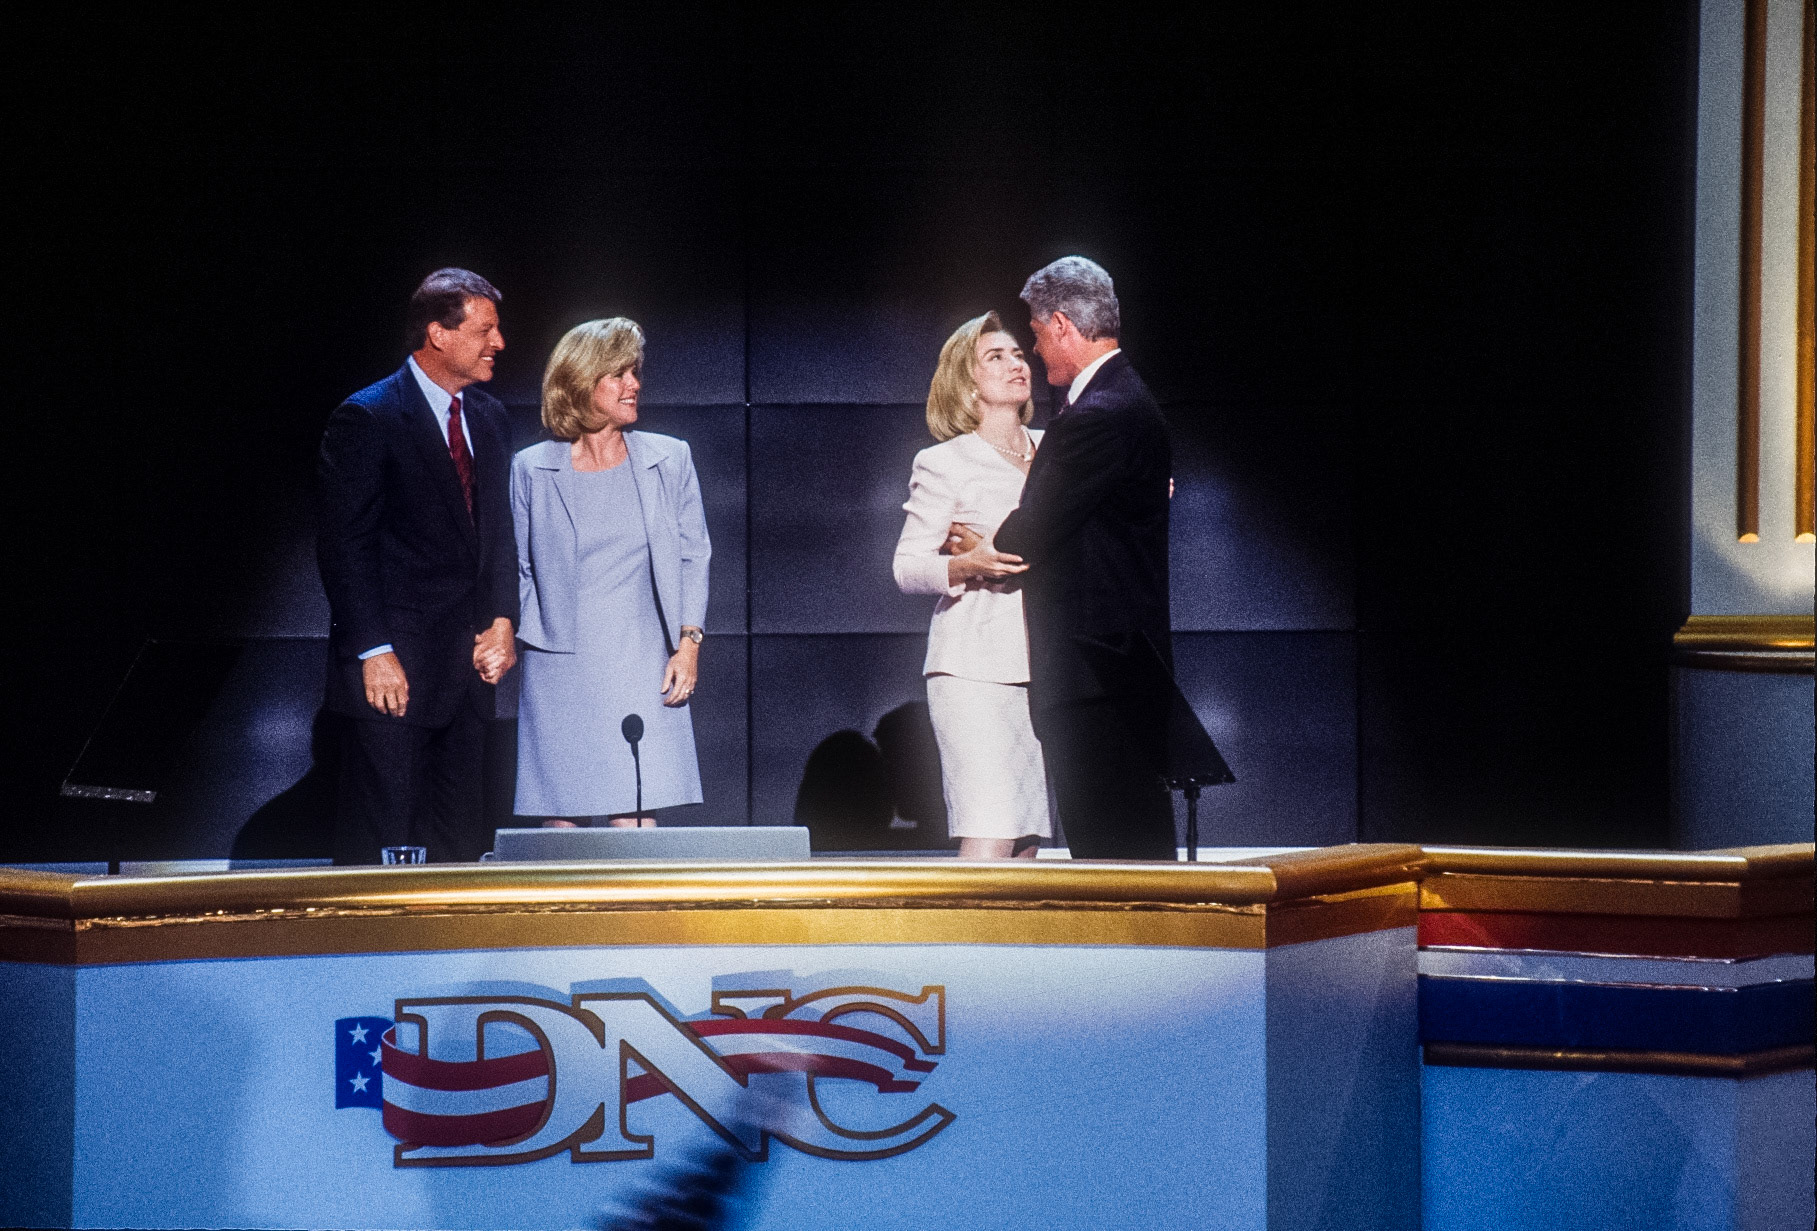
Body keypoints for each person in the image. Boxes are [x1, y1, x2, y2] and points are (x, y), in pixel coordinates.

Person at [317, 268, 518, 864]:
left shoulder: (489, 417)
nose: (499, 343)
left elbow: (497, 535)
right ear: (438, 333)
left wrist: (503, 620)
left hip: (468, 680)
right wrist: (373, 650)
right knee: (379, 853)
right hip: (394, 681)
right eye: (485, 329)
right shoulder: (369, 417)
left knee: (458, 853)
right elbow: (343, 546)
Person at [992, 257, 1175, 860]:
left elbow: (1026, 534)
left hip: (1097, 678)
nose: (1037, 353)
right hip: (1110, 674)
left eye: (1039, 336)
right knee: (1124, 859)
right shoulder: (1119, 399)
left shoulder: (1100, 413)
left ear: (1064, 324)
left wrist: (980, 543)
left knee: (1117, 866)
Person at [511, 318, 709, 826]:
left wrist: (688, 645)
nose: (634, 384)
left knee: (634, 817)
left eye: (635, 372)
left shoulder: (669, 458)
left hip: (643, 660)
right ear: (580, 382)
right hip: (559, 667)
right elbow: (520, 568)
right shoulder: (531, 468)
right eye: (619, 374)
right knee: (563, 822)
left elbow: (694, 554)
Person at [893, 311, 1050, 858]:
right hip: (973, 669)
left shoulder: (1058, 450)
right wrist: (970, 562)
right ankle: (957, 947)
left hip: (1044, 668)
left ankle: (1015, 948)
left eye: (1018, 353)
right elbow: (908, 566)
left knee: (1028, 841)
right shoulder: (945, 461)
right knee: (992, 824)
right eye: (995, 357)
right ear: (967, 382)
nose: (1016, 364)